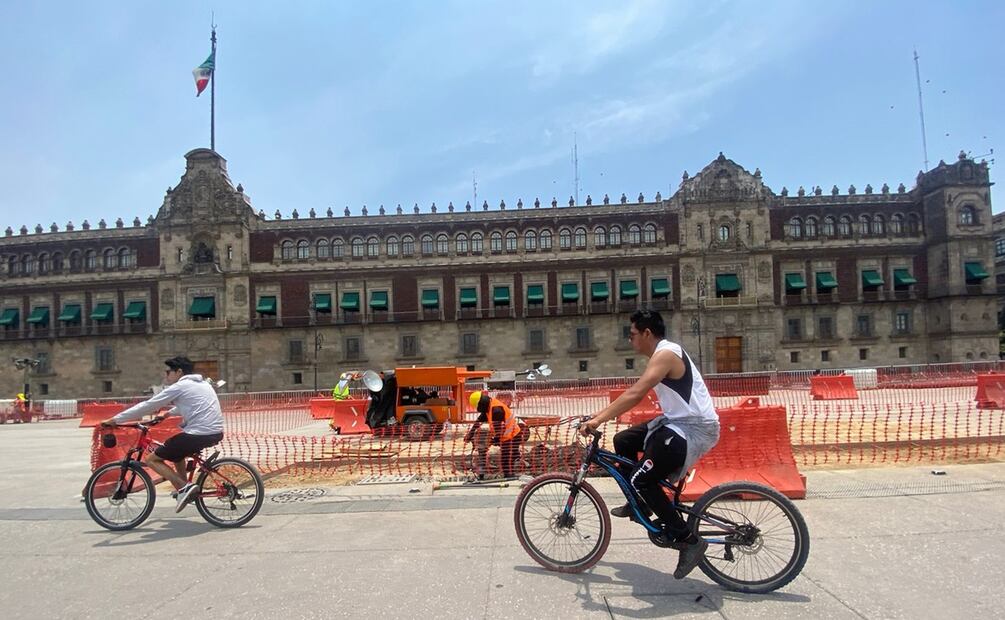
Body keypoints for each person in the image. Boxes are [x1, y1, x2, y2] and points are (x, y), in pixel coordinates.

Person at [581, 309, 720, 580]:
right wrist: (597, 418)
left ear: (647, 333)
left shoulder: (667, 354)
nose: (630, 340)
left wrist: (597, 420)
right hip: (676, 423)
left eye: (632, 335)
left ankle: (689, 541)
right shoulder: (660, 355)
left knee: (640, 480)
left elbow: (635, 393)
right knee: (623, 440)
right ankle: (641, 505)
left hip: (694, 429)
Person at [101, 356, 224, 513]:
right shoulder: (202, 384)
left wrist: (115, 419)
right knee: (176, 453)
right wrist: (166, 415)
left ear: (179, 371)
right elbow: (192, 404)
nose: (166, 376)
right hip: (214, 432)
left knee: (152, 459)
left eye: (168, 372)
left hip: (198, 433)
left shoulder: (180, 386)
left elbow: (148, 405)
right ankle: (184, 488)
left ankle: (184, 487)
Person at [465, 390, 523, 478]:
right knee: (508, 458)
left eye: (478, 408)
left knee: (506, 462)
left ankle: (510, 477)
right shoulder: (489, 406)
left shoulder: (496, 410)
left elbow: (499, 431)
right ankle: (515, 457)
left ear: (481, 404)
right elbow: (479, 421)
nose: (478, 410)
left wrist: (494, 440)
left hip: (512, 437)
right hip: (508, 437)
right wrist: (470, 434)